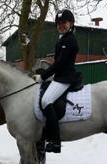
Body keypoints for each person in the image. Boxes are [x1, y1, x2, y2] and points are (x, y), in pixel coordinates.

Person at [40, 9, 79, 153]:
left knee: (46, 101)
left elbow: (60, 63)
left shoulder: (69, 40)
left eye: (64, 23)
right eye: (59, 23)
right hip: (59, 77)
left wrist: (43, 76)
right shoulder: (62, 39)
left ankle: (55, 141)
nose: (61, 25)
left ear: (71, 23)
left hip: (65, 78)